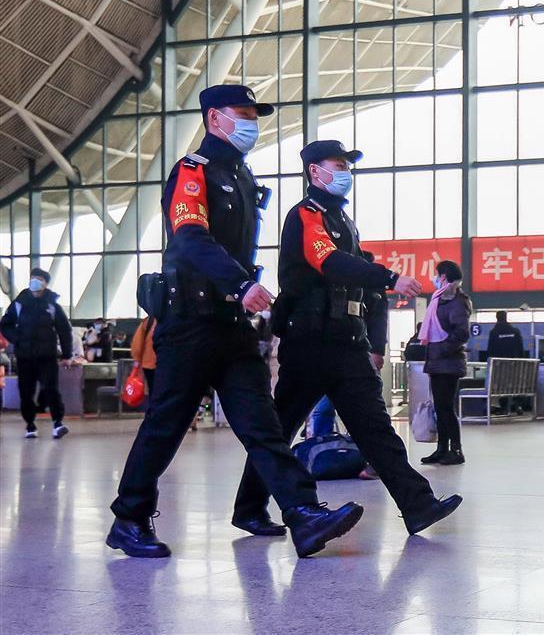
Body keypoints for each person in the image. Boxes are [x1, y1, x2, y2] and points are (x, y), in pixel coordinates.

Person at [108, 85, 363, 560]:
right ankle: (129, 518)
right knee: (166, 425)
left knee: (262, 424)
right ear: (214, 118)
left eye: (254, 115)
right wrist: (241, 283)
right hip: (190, 321)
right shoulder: (193, 171)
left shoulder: (241, 176)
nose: (251, 123)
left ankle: (303, 514)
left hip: (230, 323)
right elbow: (189, 238)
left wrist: (241, 292)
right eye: (242, 114)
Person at [233, 140, 461, 535]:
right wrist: (390, 277)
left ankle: (417, 504)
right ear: (314, 171)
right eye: (337, 165)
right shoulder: (306, 215)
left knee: (375, 427)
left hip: (346, 341)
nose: (345, 173)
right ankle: (250, 508)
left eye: (347, 166)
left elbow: (355, 273)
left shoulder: (342, 221)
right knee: (280, 428)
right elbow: (330, 262)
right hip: (309, 343)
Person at [1, 268, 73, 439]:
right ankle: (30, 425)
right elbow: (5, 324)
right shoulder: (19, 304)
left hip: (47, 356)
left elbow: (64, 330)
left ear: (45, 283)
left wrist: (67, 355)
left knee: (51, 389)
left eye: (39, 279)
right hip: (25, 356)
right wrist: (17, 339)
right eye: (33, 278)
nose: (35, 282)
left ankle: (57, 423)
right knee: (26, 391)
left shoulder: (52, 305)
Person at [419, 260, 471, 466]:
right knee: (440, 407)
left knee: (446, 407)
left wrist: (441, 350)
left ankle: (456, 450)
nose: (434, 278)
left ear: (443, 276)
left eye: (436, 274)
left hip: (448, 363)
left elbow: (462, 333)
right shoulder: (439, 299)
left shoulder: (457, 301)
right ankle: (442, 449)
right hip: (438, 362)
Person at [130, 316, 158, 397]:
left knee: (153, 389)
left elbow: (137, 343)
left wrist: (137, 360)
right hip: (170, 363)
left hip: (150, 363)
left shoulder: (149, 321)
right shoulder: (176, 319)